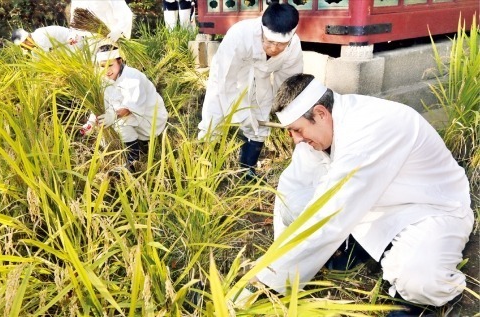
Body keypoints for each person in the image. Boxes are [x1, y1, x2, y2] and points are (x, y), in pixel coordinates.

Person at [237, 73, 474, 315]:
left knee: (420, 280)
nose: (296, 140)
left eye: (297, 130)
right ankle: (355, 248)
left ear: (320, 113)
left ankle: (423, 302)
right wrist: (277, 261)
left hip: (428, 209)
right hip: (371, 206)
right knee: (295, 204)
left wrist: (264, 283)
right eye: (290, 132)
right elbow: (291, 190)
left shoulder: (369, 127)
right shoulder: (318, 132)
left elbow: (329, 212)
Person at [198, 0, 303, 180]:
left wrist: (288, 113)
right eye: (269, 42)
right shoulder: (240, 34)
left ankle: (247, 172)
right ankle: (206, 173)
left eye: (280, 45)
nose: (273, 48)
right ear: (262, 30)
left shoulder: (293, 47)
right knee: (214, 118)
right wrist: (241, 115)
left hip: (260, 79)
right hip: (229, 76)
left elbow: (287, 85)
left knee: (260, 118)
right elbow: (226, 82)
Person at [81, 45, 168, 172]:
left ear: (120, 61)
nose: (106, 70)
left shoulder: (133, 77)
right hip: (123, 114)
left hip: (149, 118)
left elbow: (130, 108)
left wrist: (113, 116)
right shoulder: (103, 79)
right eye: (102, 66)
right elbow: (101, 103)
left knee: (120, 123)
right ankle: (122, 148)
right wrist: (90, 123)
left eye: (110, 65)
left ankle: (133, 159)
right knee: (106, 124)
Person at [11, 25, 91, 53]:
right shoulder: (37, 34)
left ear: (27, 41)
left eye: (23, 46)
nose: (24, 48)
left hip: (75, 43)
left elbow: (53, 56)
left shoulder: (40, 39)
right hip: (73, 43)